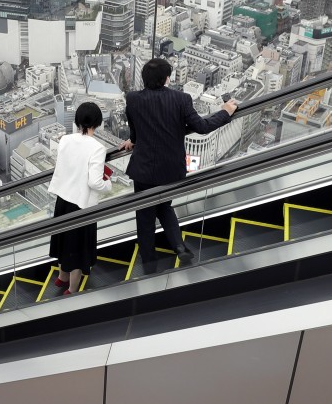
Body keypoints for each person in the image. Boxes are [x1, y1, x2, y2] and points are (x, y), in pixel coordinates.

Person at [120, 58, 237, 275]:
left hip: (144, 169)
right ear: (166, 79)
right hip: (171, 169)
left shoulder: (133, 99)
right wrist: (225, 112)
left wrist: (132, 140)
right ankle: (179, 247)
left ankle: (149, 265)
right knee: (164, 206)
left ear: (143, 78)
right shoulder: (181, 99)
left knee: (145, 217)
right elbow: (202, 127)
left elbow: (136, 128)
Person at [48, 102, 112, 295]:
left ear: (77, 120)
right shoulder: (97, 148)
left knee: (64, 240)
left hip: (63, 199)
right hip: (81, 204)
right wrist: (107, 184)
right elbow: (94, 182)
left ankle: (62, 278)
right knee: (77, 248)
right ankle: (72, 289)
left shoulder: (65, 140)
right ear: (97, 123)